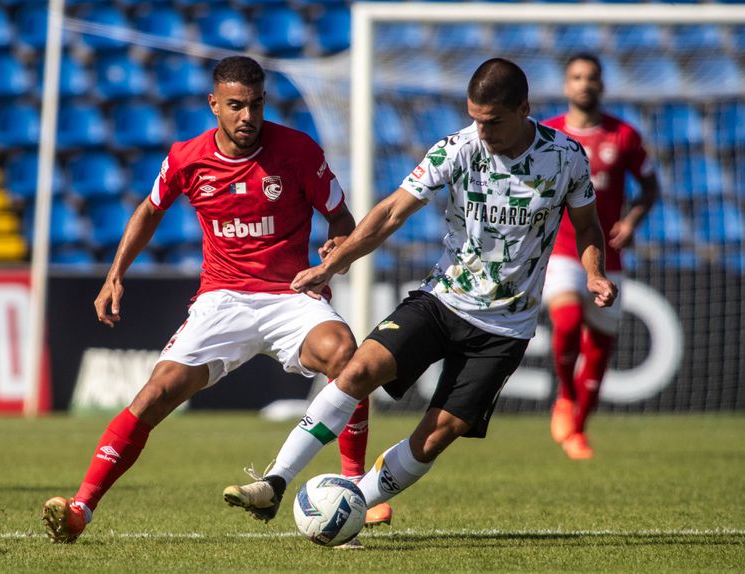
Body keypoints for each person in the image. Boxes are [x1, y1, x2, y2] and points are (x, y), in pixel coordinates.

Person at [222, 57, 618, 531]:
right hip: (442, 299)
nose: (482, 131)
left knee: (437, 435)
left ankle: (352, 504)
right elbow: (391, 212)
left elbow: (589, 227)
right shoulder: (457, 149)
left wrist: (594, 272)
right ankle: (275, 481)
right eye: (474, 118)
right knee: (358, 369)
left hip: (505, 327)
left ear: (523, 109)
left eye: (491, 121)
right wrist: (334, 262)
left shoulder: (567, 157)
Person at [41, 56, 392, 545]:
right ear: (214, 106)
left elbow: (341, 217)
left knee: (347, 357)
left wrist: (336, 249)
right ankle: (80, 509)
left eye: (255, 105)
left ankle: (355, 489)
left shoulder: (297, 150)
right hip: (222, 300)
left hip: (290, 296)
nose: (247, 116)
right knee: (155, 394)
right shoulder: (187, 158)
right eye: (235, 106)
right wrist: (115, 273)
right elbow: (149, 209)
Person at [542, 53, 659, 460]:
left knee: (600, 349)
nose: (584, 84)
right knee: (568, 320)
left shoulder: (623, 135)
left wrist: (631, 222)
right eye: (576, 77)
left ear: (601, 85)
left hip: (608, 256)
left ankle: (579, 427)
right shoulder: (548, 133)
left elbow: (650, 187)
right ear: (566, 85)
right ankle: (565, 397)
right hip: (562, 250)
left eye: (591, 78)